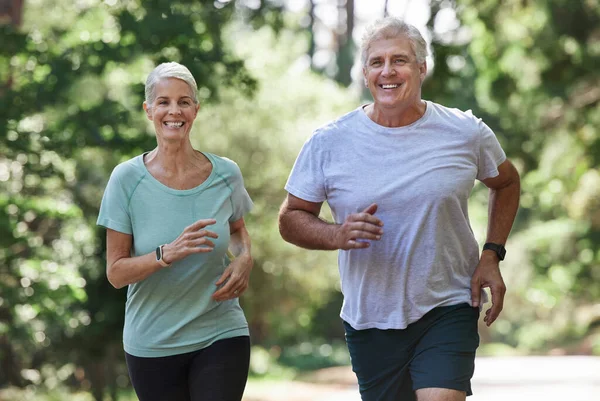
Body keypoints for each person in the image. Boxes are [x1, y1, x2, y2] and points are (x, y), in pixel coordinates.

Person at [278, 17, 520, 401]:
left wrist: (492, 254)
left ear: (422, 68)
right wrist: (336, 234)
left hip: (448, 303)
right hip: (370, 316)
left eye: (400, 60)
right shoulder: (330, 142)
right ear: (365, 71)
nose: (387, 71)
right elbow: (290, 219)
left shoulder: (465, 132)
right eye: (376, 62)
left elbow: (506, 183)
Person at [97, 62, 254, 401]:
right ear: (149, 110)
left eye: (184, 101)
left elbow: (239, 230)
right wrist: (165, 254)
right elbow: (115, 273)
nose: (174, 110)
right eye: (164, 101)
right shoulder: (126, 180)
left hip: (221, 330)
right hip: (153, 342)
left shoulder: (226, 174)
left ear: (195, 110)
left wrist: (244, 259)